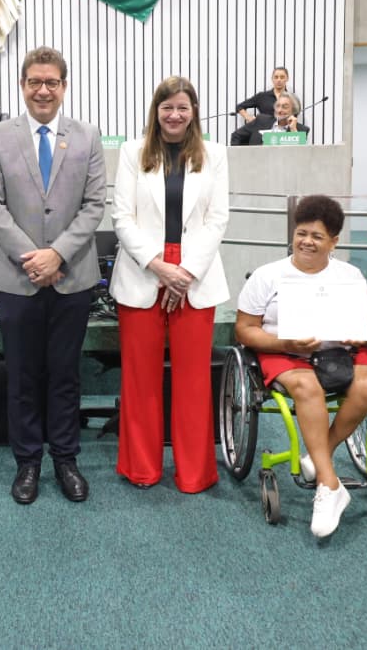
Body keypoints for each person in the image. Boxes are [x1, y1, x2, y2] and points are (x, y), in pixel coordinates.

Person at [0, 46, 107, 504]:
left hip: (72, 278)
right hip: (16, 280)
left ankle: (66, 459)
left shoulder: (87, 137)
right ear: (22, 84)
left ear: (64, 86)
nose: (43, 90)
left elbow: (95, 206)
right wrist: (34, 257)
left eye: (52, 82)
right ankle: (28, 462)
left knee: (66, 374)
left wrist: (58, 255)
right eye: (35, 81)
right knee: (23, 374)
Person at [234, 195, 367, 538]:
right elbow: (244, 330)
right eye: (301, 233)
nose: (307, 241)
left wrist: (357, 334)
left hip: (340, 351)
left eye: (317, 236)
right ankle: (330, 485)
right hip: (285, 350)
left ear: (334, 241)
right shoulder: (267, 276)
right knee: (306, 387)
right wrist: (285, 343)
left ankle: (320, 455)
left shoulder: (350, 275)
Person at [110, 77, 230, 493]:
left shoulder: (214, 154)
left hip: (195, 273)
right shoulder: (131, 152)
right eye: (167, 108)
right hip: (145, 270)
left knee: (193, 380)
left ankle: (195, 472)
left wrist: (186, 272)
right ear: (156, 111)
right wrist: (159, 266)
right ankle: (142, 467)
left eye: (182, 107)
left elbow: (217, 219)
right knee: (140, 379)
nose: (175, 115)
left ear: (194, 110)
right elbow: (122, 217)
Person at [232, 93, 309, 146]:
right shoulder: (261, 120)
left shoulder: (301, 130)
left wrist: (293, 130)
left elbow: (300, 156)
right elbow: (236, 136)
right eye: (277, 106)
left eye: (284, 107)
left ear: (294, 110)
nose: (279, 110)